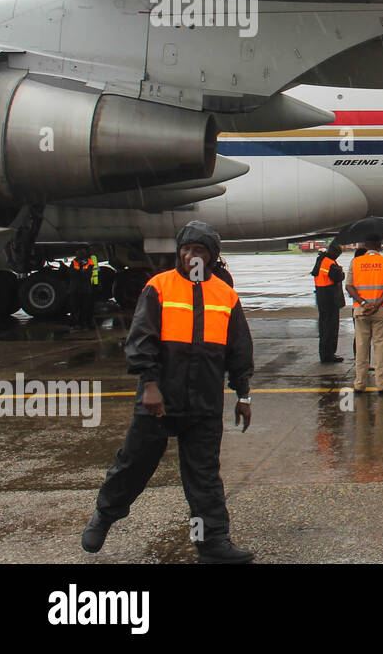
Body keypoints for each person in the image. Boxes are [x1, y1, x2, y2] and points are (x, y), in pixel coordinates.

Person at [80, 220, 254, 564]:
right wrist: (149, 385)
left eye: (199, 250)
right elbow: (141, 340)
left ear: (212, 257)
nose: (191, 256)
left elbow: (239, 350)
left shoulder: (225, 295)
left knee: (203, 478)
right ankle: (105, 515)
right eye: (186, 249)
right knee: (132, 466)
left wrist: (243, 394)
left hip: (203, 404)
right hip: (158, 400)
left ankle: (212, 543)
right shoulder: (159, 287)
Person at [346, 235, 383, 394]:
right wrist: (377, 304)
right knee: (381, 347)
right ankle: (382, 384)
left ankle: (359, 383)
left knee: (361, 347)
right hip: (381, 311)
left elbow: (349, 286)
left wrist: (363, 303)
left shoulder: (355, 262)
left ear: (366, 245)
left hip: (361, 311)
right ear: (379, 245)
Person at [311, 242, 346, 362]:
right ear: (334, 252)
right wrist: (341, 271)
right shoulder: (330, 263)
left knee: (324, 327)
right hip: (331, 298)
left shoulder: (320, 260)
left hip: (322, 298)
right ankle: (329, 354)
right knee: (331, 328)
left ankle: (325, 354)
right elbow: (338, 277)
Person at [68, 245, 97, 330]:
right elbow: (71, 274)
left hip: (84, 288)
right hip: (76, 288)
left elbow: (87, 274)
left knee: (85, 308)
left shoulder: (88, 262)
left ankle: (83, 323)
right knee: (75, 308)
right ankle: (76, 324)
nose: (79, 253)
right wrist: (81, 272)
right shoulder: (74, 262)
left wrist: (79, 272)